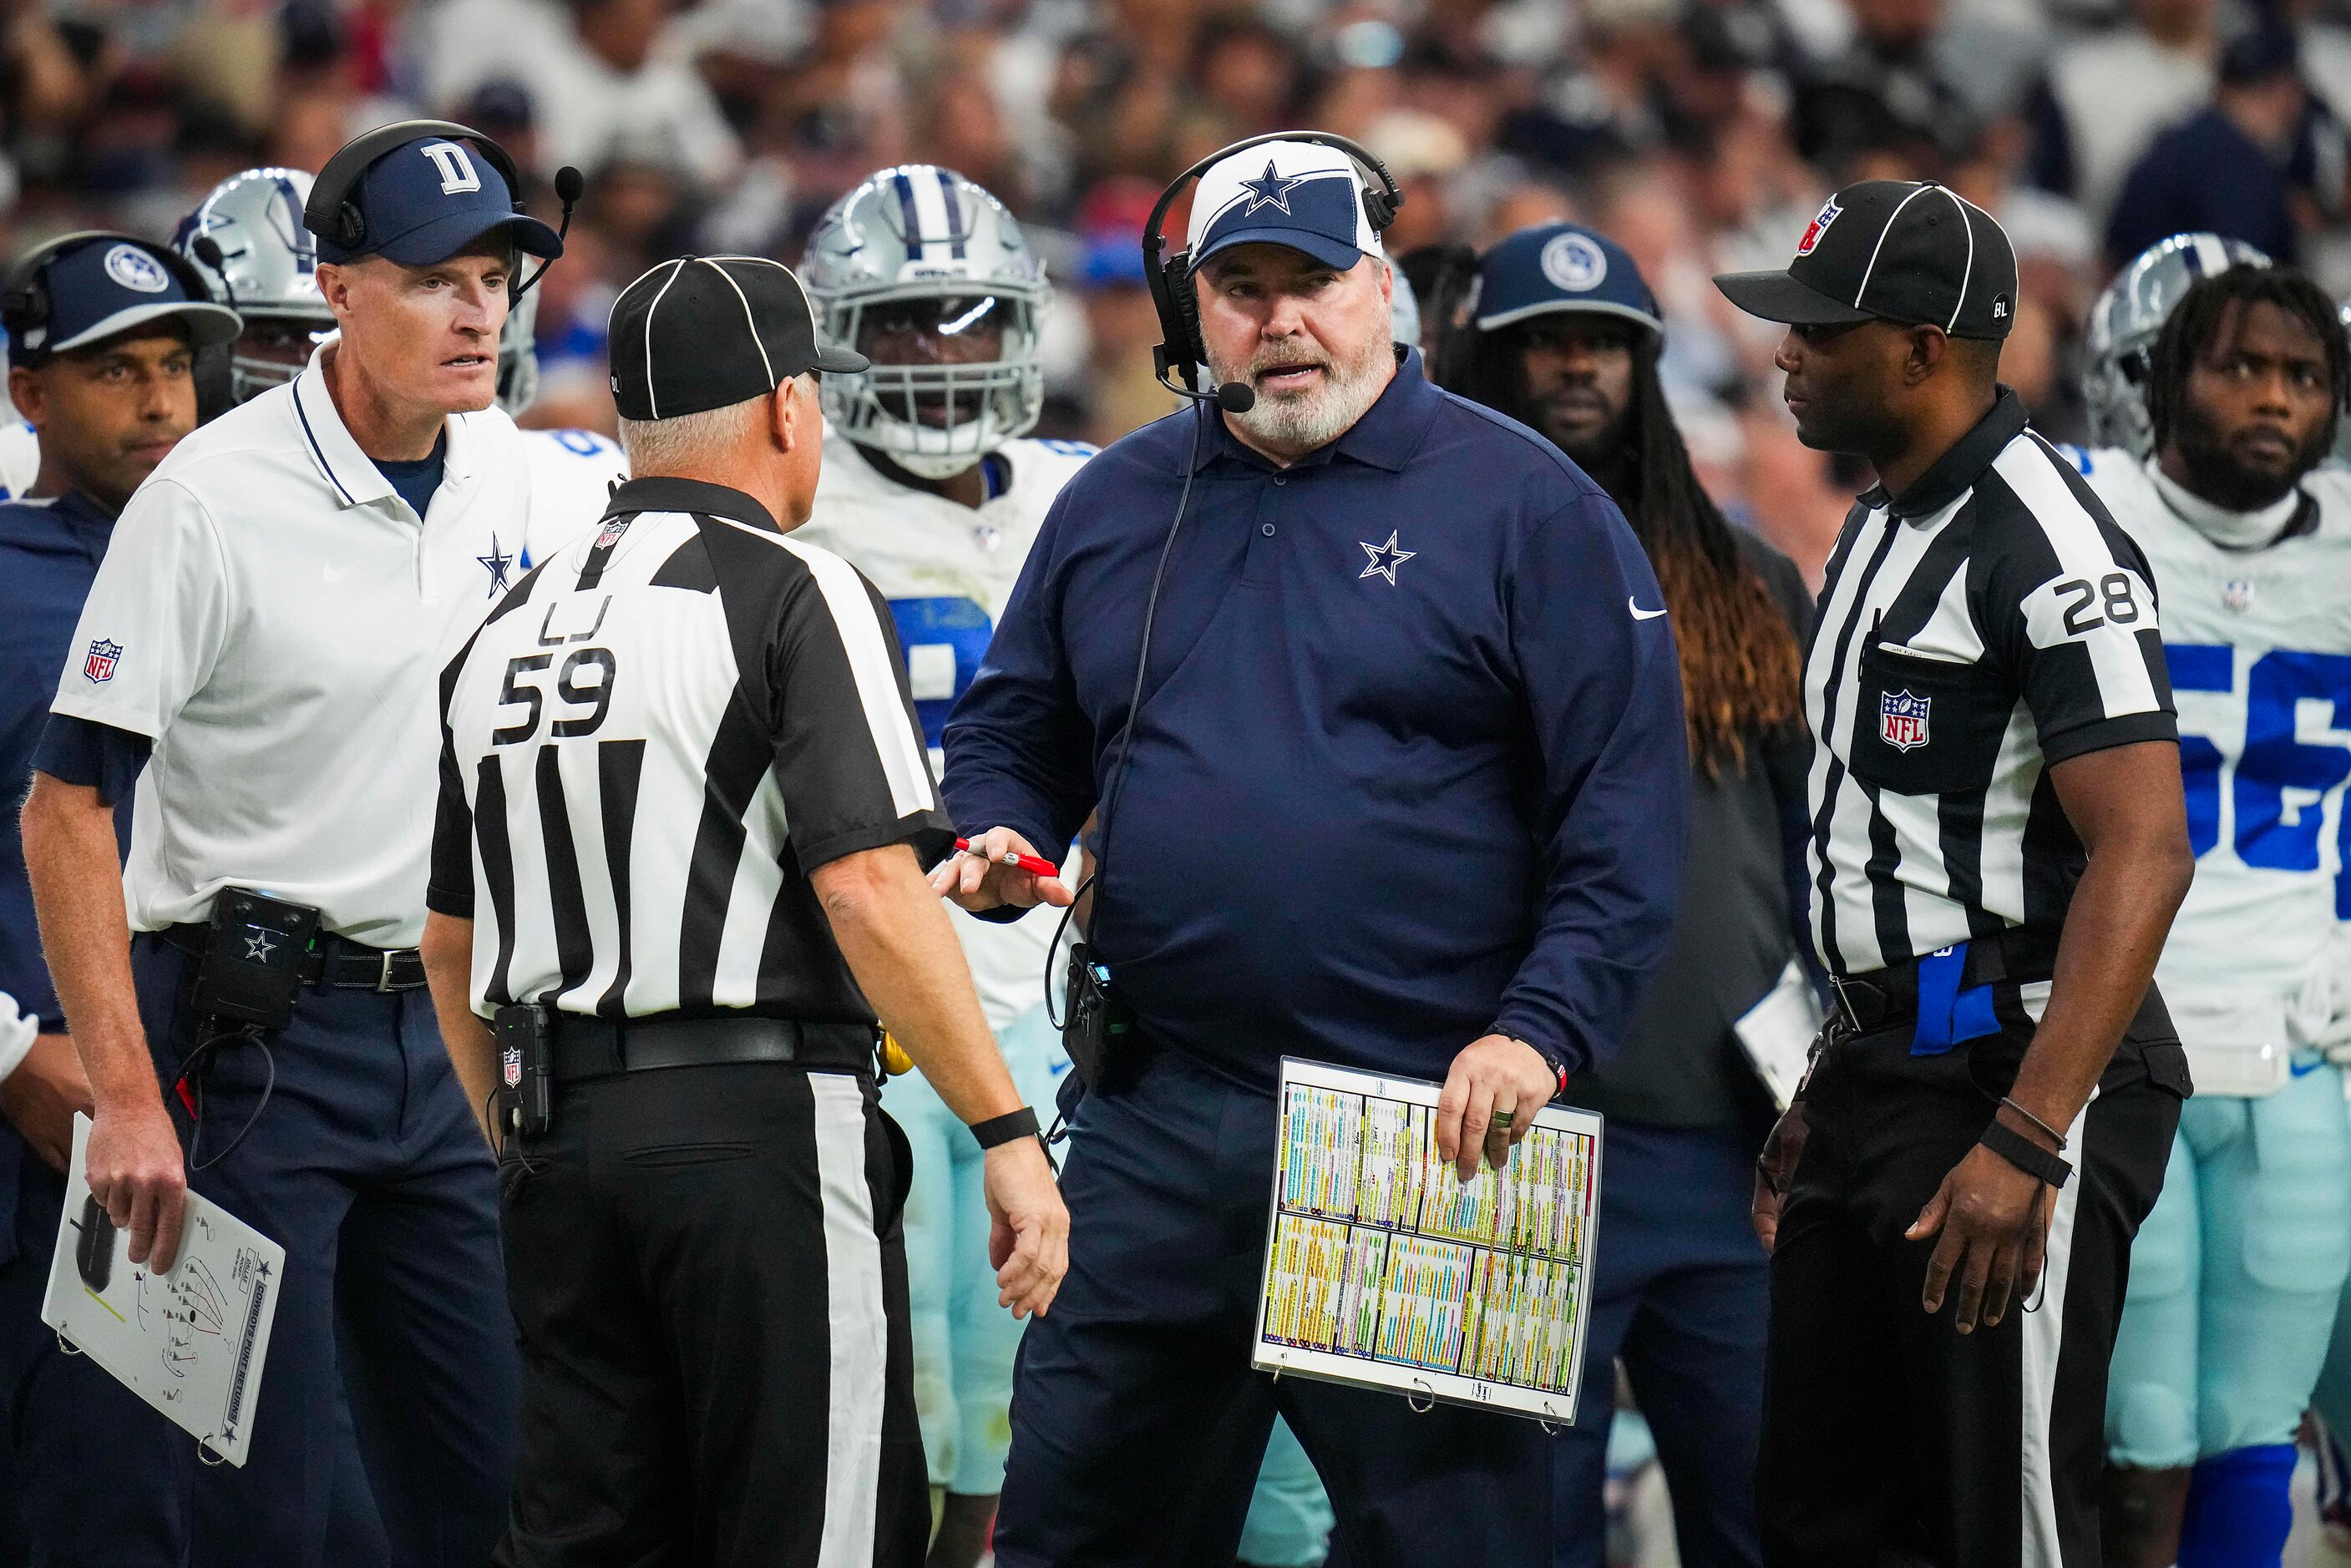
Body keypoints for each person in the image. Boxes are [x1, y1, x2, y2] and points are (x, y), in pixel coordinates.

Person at [939, 134, 1690, 1566]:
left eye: (1313, 280)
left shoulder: (1531, 506)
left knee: (1454, 1544)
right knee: (1076, 1531)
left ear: (1382, 288)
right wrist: (1007, 821)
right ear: (1191, 319)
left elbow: (1625, 815)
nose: (1279, 318)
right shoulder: (1113, 503)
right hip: (1158, 1118)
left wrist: (1541, 1029)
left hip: (1430, 1125)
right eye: (1241, 287)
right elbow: (1015, 722)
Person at [420, 252, 1068, 1567]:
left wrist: (513, 1121)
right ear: (789, 408)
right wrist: (1005, 1127)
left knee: (588, 1539)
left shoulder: (508, 618)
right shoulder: (795, 582)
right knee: (810, 1535)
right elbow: (864, 886)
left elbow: (449, 935)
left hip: (559, 1136)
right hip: (760, 1132)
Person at [18, 120, 570, 1565]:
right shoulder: (206, 496)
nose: (475, 312)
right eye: (433, 278)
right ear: (334, 286)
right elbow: (64, 806)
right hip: (249, 1044)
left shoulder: (539, 479)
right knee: (249, 1498)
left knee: (497, 1482)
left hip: (462, 1031)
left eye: (496, 277)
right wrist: (128, 1099)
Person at [1716, 180, 2196, 1564]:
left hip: (2017, 1061)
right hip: (1892, 1059)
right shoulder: (1877, 520)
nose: (1786, 356)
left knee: (2006, 1513)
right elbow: (1884, 849)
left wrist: (2032, 1137)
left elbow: (2146, 848)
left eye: (1821, 329)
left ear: (1923, 346)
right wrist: (1837, 1066)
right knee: (1819, 1508)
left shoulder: (2049, 537)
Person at [1435, 220, 1810, 1568]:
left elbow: (1810, 835)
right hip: (1508, 1135)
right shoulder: (1417, 571)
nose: (1575, 364)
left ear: (1645, 368)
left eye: (1602, 342)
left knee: (1763, 1515)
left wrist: (1820, 1072)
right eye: (1541, 341)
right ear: (1489, 360)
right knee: (1517, 1534)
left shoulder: (1748, 580)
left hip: (1729, 1136)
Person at [2070, 255, 2351, 1568]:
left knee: (2253, 1419)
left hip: (2296, 1034)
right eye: (2237, 365)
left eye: (2298, 376)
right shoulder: (2073, 517)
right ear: (2161, 379)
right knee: (2140, 1420)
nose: (2268, 399)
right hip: (2120, 1031)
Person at [0, 230, 238, 1565]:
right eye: (113, 372)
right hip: (27, 1104)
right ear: (31, 393)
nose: (159, 401)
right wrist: (1, 1049)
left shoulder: (241, 544)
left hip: (203, 1105)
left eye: (172, 366)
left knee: (175, 1506)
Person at [175, 164, 627, 559]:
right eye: (274, 337)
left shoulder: (568, 476)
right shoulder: (192, 499)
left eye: (493, 281)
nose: (311, 360)